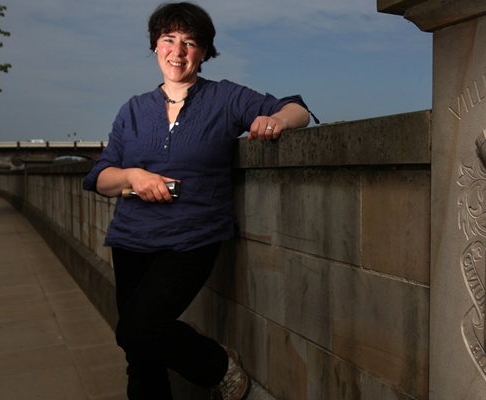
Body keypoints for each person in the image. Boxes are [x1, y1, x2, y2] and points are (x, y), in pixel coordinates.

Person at [82, 2, 313, 399]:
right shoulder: (133, 110)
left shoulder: (225, 98)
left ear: (204, 52)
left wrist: (276, 121)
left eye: (190, 42)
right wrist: (133, 177)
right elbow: (102, 176)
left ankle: (218, 366)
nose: (178, 51)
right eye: (169, 39)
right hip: (130, 238)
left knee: (138, 329)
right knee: (140, 355)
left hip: (192, 237)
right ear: (155, 45)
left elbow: (297, 109)